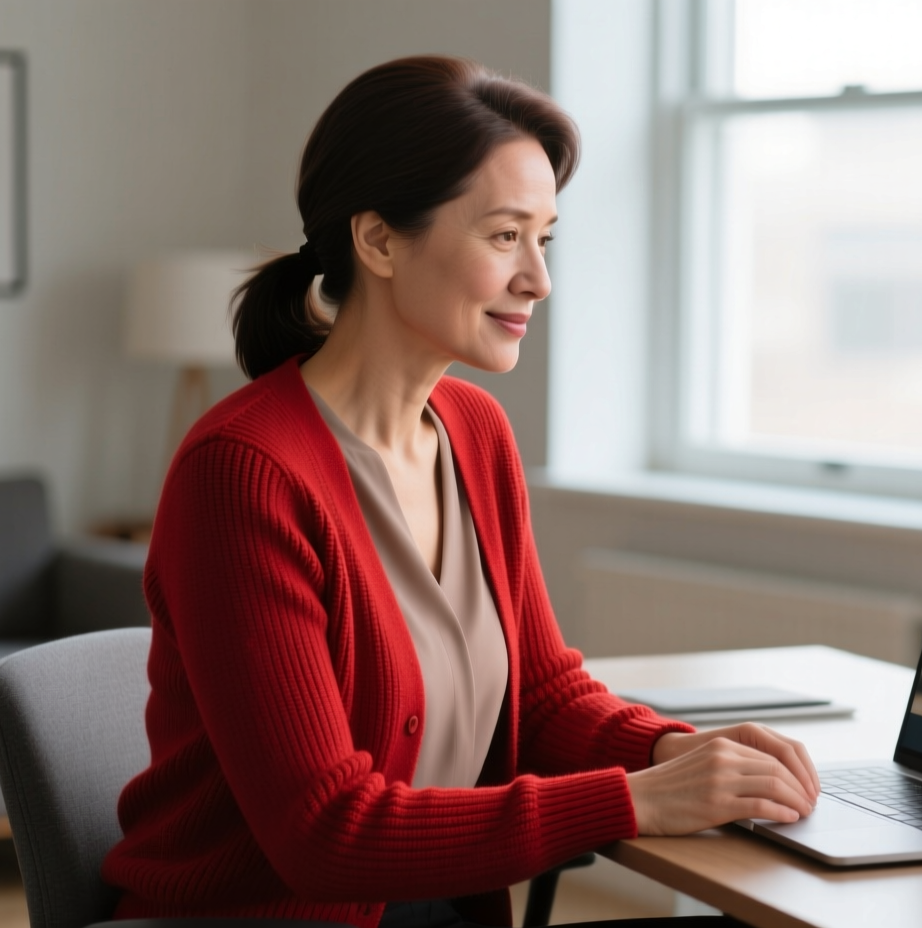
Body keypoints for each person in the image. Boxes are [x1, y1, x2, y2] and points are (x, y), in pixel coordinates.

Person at [101, 56, 819, 928]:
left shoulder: (474, 431)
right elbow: (325, 834)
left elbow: (546, 695)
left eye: (544, 238)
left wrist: (676, 750)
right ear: (378, 241)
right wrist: (639, 801)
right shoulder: (244, 472)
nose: (538, 280)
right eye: (504, 236)